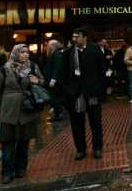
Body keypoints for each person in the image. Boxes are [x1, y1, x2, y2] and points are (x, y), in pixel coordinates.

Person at [0, 44, 44, 184]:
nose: (25, 55)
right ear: (15, 53)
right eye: (22, 52)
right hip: (9, 110)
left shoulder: (32, 67)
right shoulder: (5, 69)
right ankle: (7, 172)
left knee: (23, 142)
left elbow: (42, 81)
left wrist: (37, 81)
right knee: (8, 143)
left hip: (26, 109)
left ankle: (21, 169)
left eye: (27, 52)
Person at [60, 27, 107, 160]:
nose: (74, 39)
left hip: (92, 91)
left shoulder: (95, 48)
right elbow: (63, 73)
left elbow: (101, 69)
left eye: (77, 37)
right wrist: (67, 89)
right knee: (77, 124)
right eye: (73, 37)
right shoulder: (68, 52)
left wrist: (100, 89)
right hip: (75, 93)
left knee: (95, 122)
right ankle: (81, 149)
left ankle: (97, 148)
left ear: (85, 38)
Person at [42, 40, 65, 121]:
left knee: (51, 95)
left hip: (54, 80)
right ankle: (57, 114)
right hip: (51, 79)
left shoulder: (57, 54)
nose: (47, 46)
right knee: (54, 96)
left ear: (53, 46)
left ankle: (59, 109)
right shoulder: (53, 53)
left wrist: (53, 79)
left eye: (48, 45)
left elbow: (57, 67)